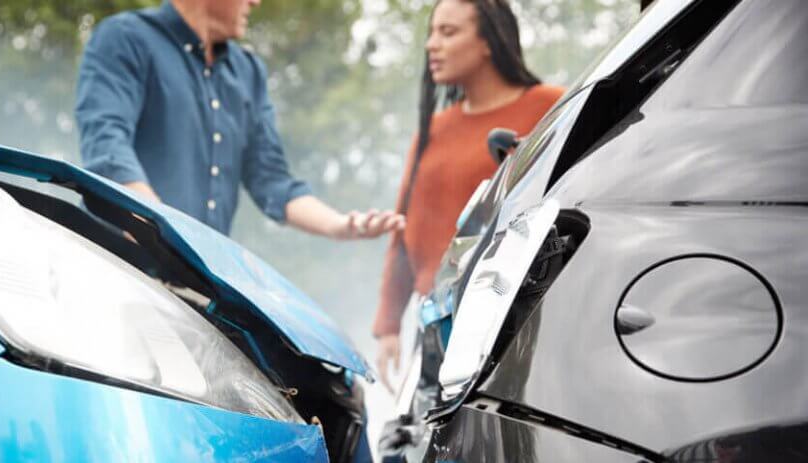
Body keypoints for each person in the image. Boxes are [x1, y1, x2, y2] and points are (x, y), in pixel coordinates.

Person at [75, 0, 403, 239]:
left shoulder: (248, 72)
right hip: (117, 270)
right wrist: (156, 229)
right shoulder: (125, 38)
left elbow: (271, 180)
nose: (256, 2)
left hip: (196, 290)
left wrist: (340, 225)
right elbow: (107, 146)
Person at [373, 0, 564, 390]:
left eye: (448, 32)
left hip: (514, 326)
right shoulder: (432, 131)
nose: (431, 45)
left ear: (488, 42)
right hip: (435, 330)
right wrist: (389, 325)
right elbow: (404, 233)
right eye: (431, 32)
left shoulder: (551, 107)